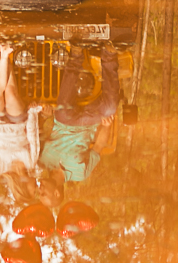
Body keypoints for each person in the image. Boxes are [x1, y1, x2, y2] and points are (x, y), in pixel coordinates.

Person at [38, 43, 120, 207]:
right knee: (110, 108)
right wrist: (106, 126)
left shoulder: (41, 162)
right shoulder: (80, 174)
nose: (39, 189)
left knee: (62, 112)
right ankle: (109, 55)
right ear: (56, 192)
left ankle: (76, 54)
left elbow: (37, 133)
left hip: (64, 121)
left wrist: (43, 116)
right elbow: (98, 148)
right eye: (43, 193)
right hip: (88, 123)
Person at [0, 42, 43, 204]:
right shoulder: (32, 162)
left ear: (23, 187)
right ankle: (7, 55)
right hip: (17, 124)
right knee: (11, 93)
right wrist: (32, 113)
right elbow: (33, 137)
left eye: (34, 189)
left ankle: (4, 54)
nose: (37, 185)